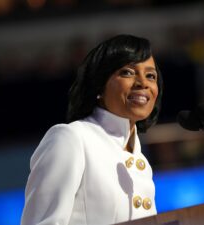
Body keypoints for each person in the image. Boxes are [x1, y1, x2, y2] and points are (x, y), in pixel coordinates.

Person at [21, 34, 163, 225]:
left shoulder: (140, 159)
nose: (143, 83)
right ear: (99, 85)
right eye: (128, 72)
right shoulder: (71, 138)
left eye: (150, 76)